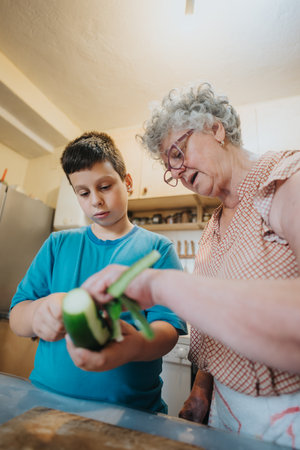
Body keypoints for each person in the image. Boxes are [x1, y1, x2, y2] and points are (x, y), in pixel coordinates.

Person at [80, 85, 300, 448]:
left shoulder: (283, 178)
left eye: (178, 153)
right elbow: (215, 331)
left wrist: (159, 285)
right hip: (224, 412)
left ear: (215, 129)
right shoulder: (212, 228)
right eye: (170, 168)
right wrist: (201, 388)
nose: (178, 172)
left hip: (283, 415)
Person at [9, 131, 187, 414]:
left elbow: (168, 330)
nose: (96, 201)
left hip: (130, 410)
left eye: (104, 187)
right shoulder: (57, 244)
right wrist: (37, 313)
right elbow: (18, 315)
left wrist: (137, 343)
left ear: (127, 182)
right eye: (83, 193)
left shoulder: (159, 248)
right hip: (46, 402)